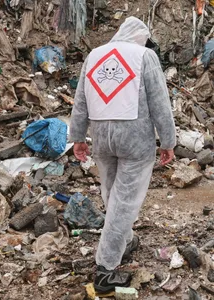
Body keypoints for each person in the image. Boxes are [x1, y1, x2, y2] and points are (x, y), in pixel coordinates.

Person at [69, 17, 176, 293]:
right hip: (135, 138)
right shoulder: (145, 55)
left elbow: (80, 100)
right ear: (141, 36)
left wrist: (78, 137)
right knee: (125, 200)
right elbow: (160, 102)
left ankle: (124, 239)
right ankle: (105, 269)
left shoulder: (94, 54)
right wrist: (168, 141)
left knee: (111, 193)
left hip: (102, 138)